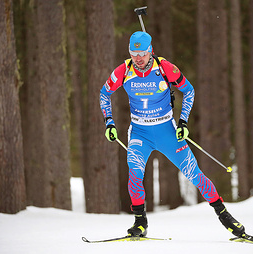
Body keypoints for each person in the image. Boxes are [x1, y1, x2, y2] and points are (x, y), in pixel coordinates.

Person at [100, 31, 245, 238]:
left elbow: (190, 91)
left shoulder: (165, 68)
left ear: (150, 50)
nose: (138, 58)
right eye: (134, 53)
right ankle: (140, 222)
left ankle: (224, 215)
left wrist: (183, 121)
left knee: (194, 173)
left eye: (142, 53)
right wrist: (109, 123)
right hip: (140, 133)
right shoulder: (123, 71)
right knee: (135, 175)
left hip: (167, 131)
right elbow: (104, 93)